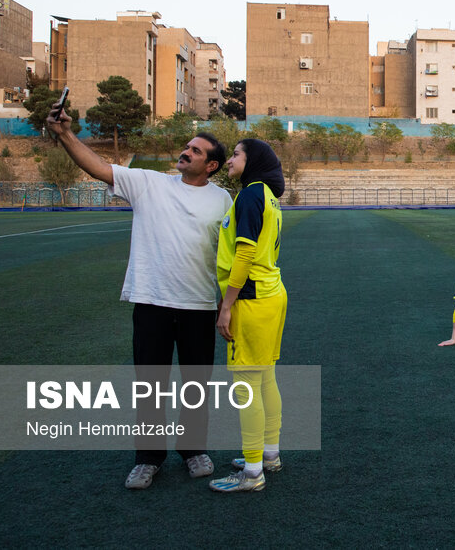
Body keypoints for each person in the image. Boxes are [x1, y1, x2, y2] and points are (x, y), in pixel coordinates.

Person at [47, 106, 231, 490]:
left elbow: (230, 257)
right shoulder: (149, 183)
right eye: (186, 146)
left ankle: (194, 450)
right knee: (151, 384)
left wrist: (226, 306)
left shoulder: (223, 202)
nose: (186, 152)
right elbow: (98, 167)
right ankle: (148, 459)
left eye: (196, 151)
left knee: (196, 385)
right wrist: (65, 135)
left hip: (198, 305)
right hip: (152, 302)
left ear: (212, 166)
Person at [210, 139, 288, 492]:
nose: (229, 160)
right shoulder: (268, 196)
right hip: (272, 294)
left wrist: (226, 305)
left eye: (236, 154)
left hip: (252, 298)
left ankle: (252, 473)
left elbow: (244, 254)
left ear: (253, 160)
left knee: (247, 385)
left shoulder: (251, 194)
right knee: (266, 377)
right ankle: (267, 454)